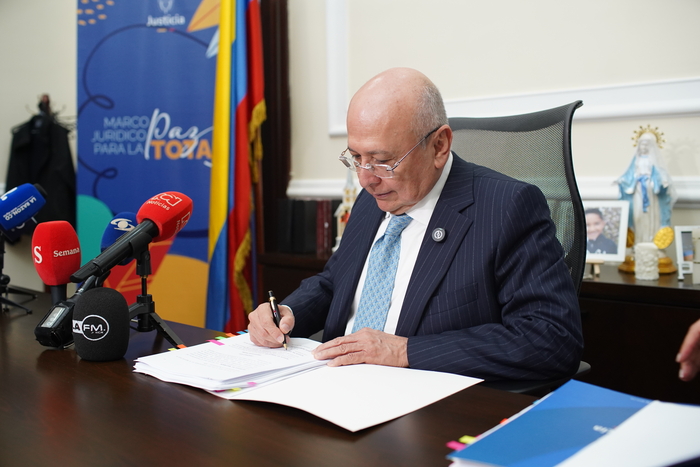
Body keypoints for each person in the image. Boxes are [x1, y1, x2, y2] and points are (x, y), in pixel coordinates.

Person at [248, 67, 583, 381]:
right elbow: (335, 282)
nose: (366, 179)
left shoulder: (507, 208)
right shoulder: (374, 198)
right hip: (329, 383)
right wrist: (287, 313)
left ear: (439, 146)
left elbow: (551, 338)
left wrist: (404, 350)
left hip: (426, 401)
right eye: (356, 158)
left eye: (382, 161)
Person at [616, 129, 676, 245]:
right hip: (638, 190)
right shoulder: (636, 160)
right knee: (637, 214)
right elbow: (629, 175)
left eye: (646, 144)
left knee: (651, 215)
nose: (643, 147)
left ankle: (650, 240)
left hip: (651, 192)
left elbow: (661, 174)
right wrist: (621, 181)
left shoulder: (654, 161)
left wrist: (663, 181)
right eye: (642, 144)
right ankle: (639, 240)